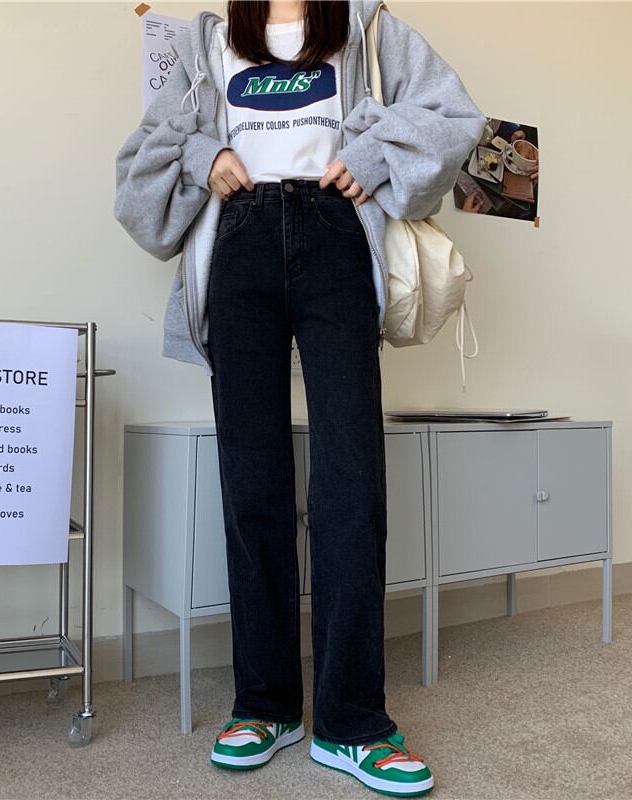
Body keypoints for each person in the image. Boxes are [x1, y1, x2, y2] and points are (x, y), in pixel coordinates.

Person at [114, 1, 485, 795]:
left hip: (335, 236)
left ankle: (353, 721)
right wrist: (206, 154)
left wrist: (374, 154)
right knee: (251, 483)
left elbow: (455, 115)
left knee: (350, 480)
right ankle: (266, 703)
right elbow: (142, 158)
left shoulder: (366, 26)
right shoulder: (211, 41)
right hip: (239, 245)